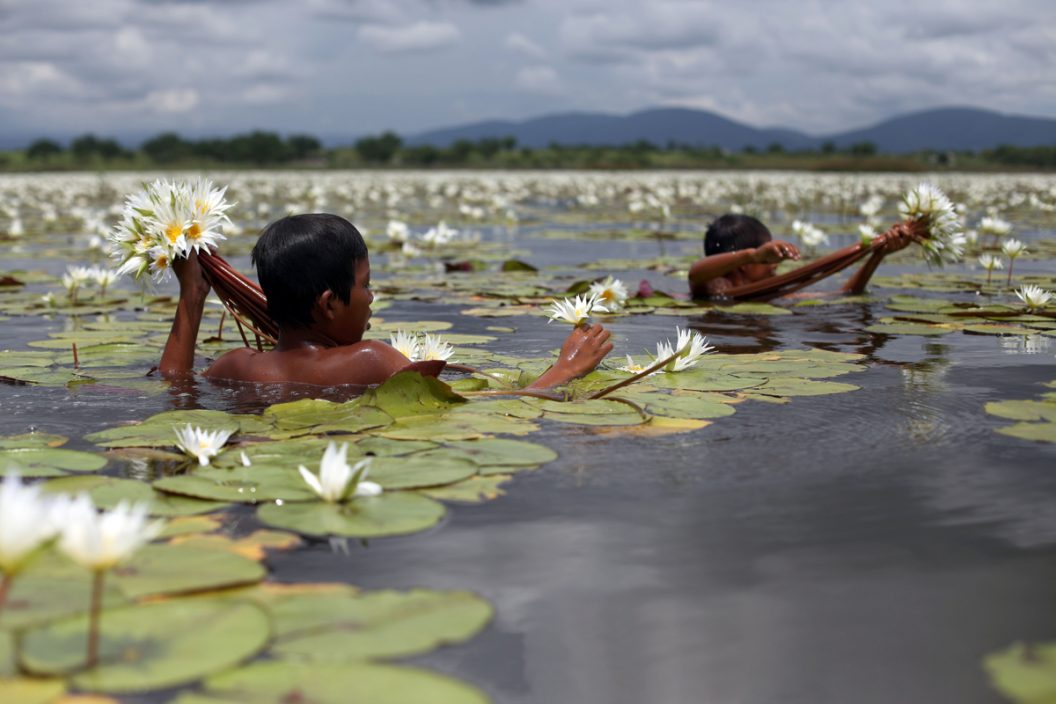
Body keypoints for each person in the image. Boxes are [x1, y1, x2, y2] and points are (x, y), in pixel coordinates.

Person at [160, 213, 613, 388]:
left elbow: (175, 382)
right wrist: (564, 369)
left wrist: (192, 297)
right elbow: (493, 409)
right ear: (329, 305)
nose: (372, 299)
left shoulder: (234, 365)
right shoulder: (369, 360)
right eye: (365, 285)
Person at [687, 214, 916, 299]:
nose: (775, 265)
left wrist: (878, 255)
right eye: (769, 257)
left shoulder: (776, 294)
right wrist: (753, 255)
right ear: (745, 266)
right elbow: (695, 274)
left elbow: (844, 294)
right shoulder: (714, 287)